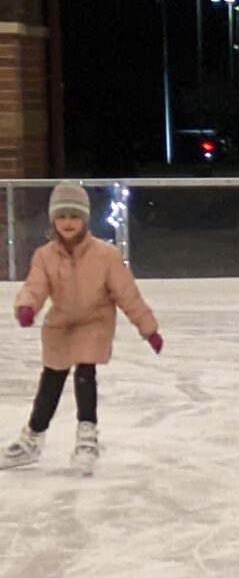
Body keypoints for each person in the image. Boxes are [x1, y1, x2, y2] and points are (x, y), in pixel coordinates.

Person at [7, 183, 162, 477]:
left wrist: (148, 329)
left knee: (85, 372)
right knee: (51, 378)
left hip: (94, 321)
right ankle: (33, 436)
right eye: (62, 216)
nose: (68, 222)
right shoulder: (45, 256)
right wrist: (27, 306)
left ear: (85, 220)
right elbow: (35, 286)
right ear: (53, 219)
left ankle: (87, 436)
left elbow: (128, 295)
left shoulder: (106, 256)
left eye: (74, 216)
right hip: (61, 324)